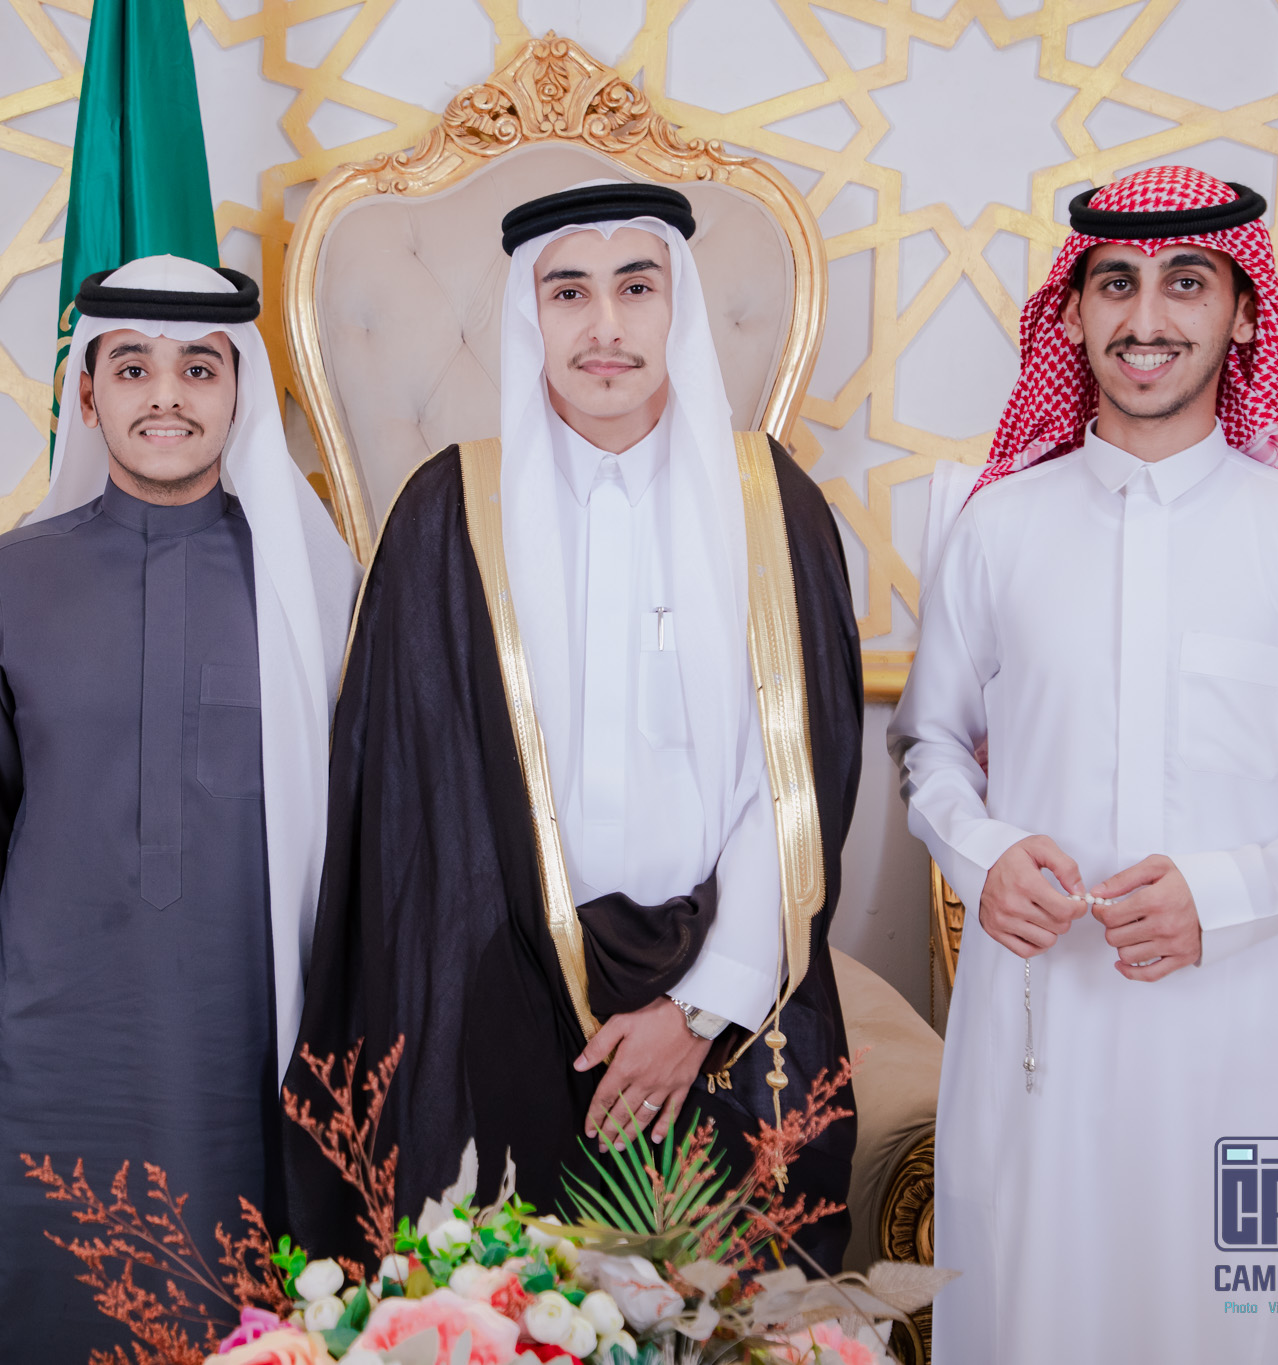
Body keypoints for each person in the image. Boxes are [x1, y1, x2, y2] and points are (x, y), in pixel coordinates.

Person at [890, 166, 1278, 1365]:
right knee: (1034, 1319)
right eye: (1115, 284)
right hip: (1042, 1034)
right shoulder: (996, 529)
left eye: (1185, 284)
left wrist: (1226, 894)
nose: (1145, 318)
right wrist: (983, 853)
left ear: (1242, 316)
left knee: (1266, 1326)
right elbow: (925, 744)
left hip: (1256, 1040)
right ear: (1071, 311)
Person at [285, 181, 863, 1270]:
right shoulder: (448, 513)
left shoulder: (770, 508)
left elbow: (800, 786)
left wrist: (699, 1012)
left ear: (676, 307)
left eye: (635, 288)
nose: (604, 326)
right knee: (505, 1310)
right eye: (568, 292)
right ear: (528, 313)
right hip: (496, 1005)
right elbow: (411, 821)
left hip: (727, 1007)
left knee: (718, 1319)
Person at [0, 255, 360, 1361]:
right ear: (87, 395)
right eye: (131, 368)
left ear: (240, 391)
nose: (166, 396)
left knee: (240, 1311)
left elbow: (365, 842)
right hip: (48, 1039)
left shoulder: (315, 589)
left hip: (249, 1034)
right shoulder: (10, 578)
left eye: (198, 368)